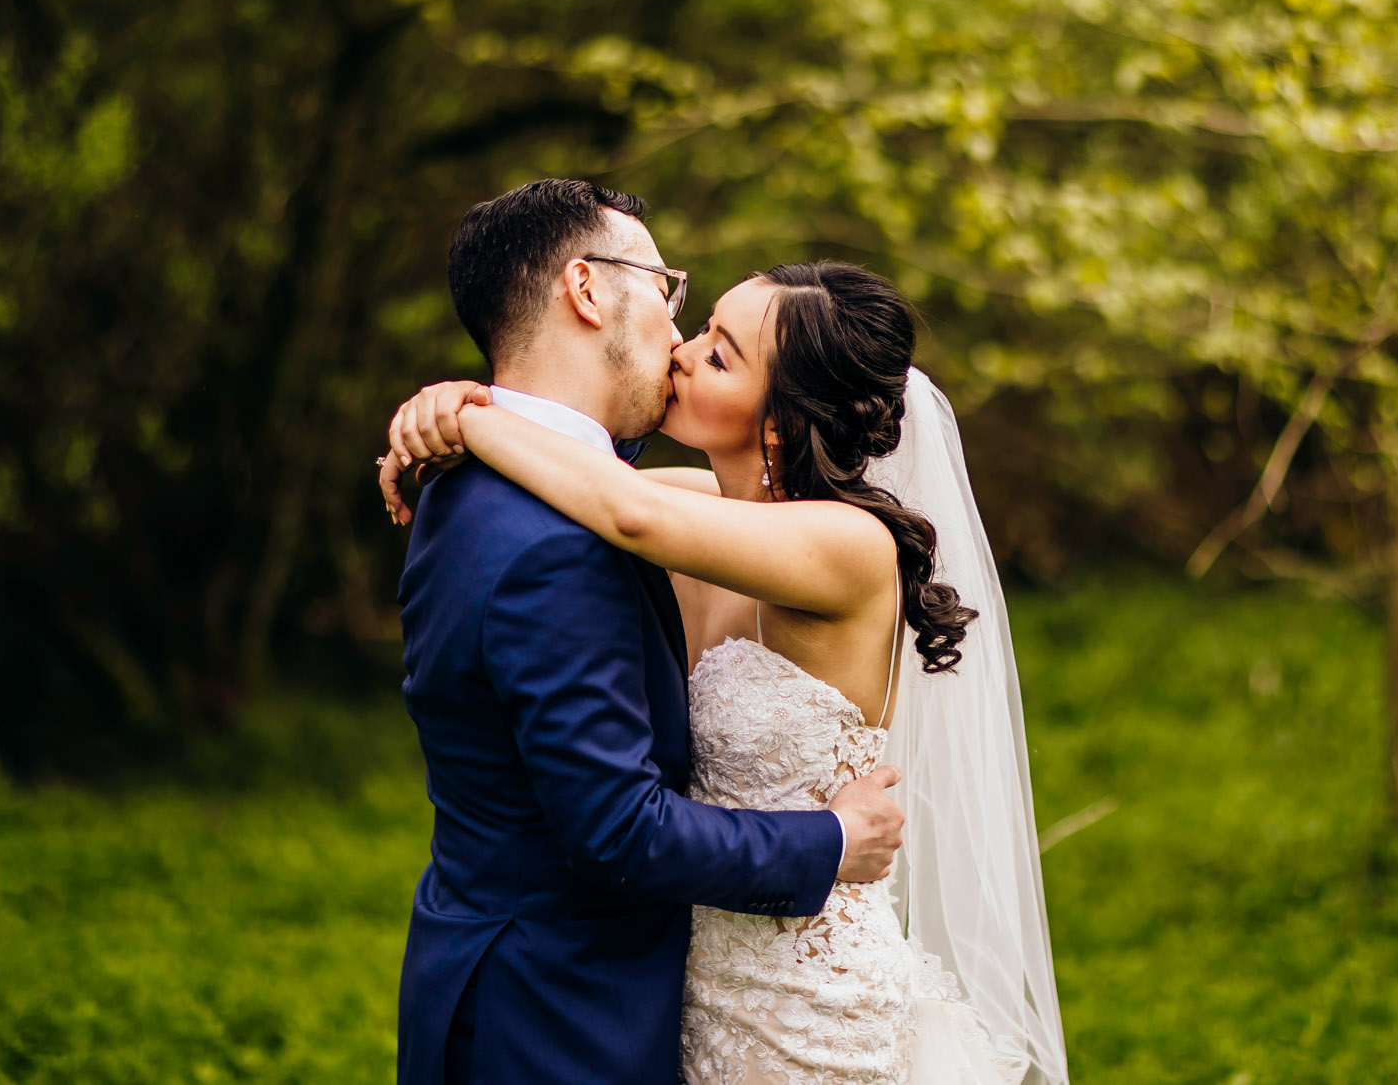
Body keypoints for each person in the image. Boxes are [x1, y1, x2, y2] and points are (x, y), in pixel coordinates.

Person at [383, 197, 1067, 1083]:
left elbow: (620, 504)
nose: (679, 345)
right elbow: (599, 485)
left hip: (803, 999)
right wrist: (460, 407)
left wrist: (470, 418)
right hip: (681, 989)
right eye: (689, 316)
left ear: (776, 418)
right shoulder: (697, 517)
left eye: (718, 350)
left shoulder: (841, 546)